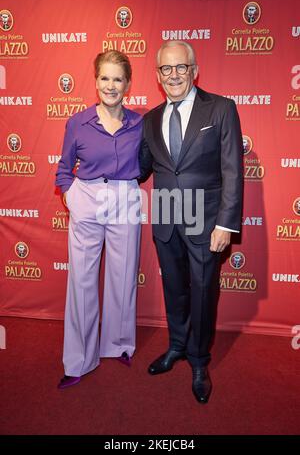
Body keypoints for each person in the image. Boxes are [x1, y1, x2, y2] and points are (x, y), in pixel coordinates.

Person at [139, 41, 243, 404]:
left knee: (202, 292)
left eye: (180, 67)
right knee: (175, 290)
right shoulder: (150, 119)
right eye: (166, 69)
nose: (174, 75)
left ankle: (199, 360)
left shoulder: (220, 109)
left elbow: (232, 169)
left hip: (206, 219)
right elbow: (139, 168)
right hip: (165, 215)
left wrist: (225, 224)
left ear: (194, 69)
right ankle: (177, 346)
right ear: (157, 75)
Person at [55, 50, 142, 389]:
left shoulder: (138, 123)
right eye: (104, 78)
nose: (111, 85)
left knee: (122, 277)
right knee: (82, 281)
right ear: (95, 82)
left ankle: (118, 345)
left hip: (125, 198)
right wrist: (70, 195)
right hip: (87, 197)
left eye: (117, 79)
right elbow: (64, 168)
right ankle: (78, 360)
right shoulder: (77, 122)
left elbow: (148, 161)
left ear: (128, 84)